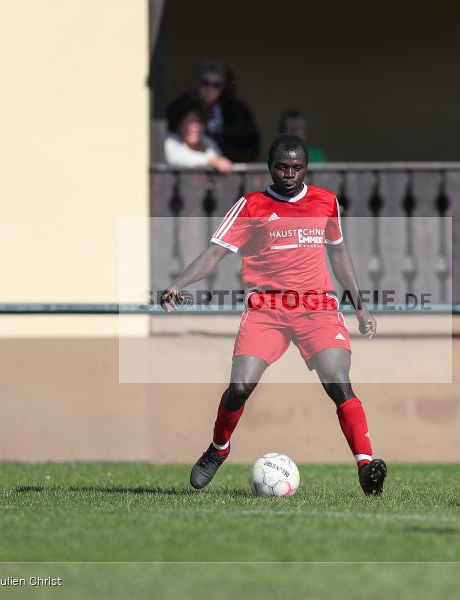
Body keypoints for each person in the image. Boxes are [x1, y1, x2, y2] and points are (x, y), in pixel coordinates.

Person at [161, 134, 387, 495]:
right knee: (240, 387)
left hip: (316, 307)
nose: (289, 174)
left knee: (338, 381)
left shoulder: (325, 201)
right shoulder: (251, 205)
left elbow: (338, 254)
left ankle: (365, 466)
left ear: (306, 169)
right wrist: (179, 283)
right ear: (270, 167)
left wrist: (361, 306)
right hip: (266, 309)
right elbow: (214, 254)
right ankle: (219, 448)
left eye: (297, 168)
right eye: (282, 167)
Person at [167, 60, 260, 162]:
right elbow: (170, 145)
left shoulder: (236, 110)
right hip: (186, 165)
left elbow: (250, 141)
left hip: (227, 166)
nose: (210, 88)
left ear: (223, 88)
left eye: (216, 85)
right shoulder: (180, 108)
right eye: (205, 83)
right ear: (197, 83)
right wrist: (210, 161)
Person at [164, 100, 233, 174]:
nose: (195, 128)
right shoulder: (170, 140)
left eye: (199, 122)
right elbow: (175, 158)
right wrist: (211, 162)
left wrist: (218, 162)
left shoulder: (207, 141)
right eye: (189, 122)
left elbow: (220, 160)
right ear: (179, 124)